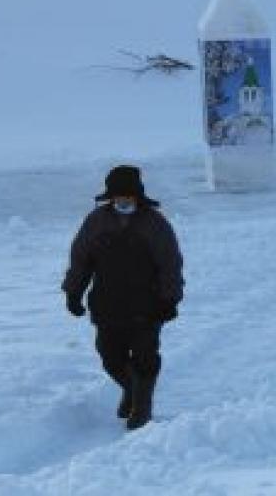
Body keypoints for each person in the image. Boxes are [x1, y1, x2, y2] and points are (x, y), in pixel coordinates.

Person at [61, 165, 184, 430]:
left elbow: (170, 264)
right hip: (108, 304)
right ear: (111, 197)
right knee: (110, 356)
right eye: (119, 197)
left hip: (147, 306)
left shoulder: (155, 224)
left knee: (144, 356)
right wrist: (73, 292)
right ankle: (132, 389)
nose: (124, 201)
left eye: (129, 196)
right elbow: (81, 260)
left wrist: (169, 299)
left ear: (138, 196)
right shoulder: (95, 222)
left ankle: (142, 407)